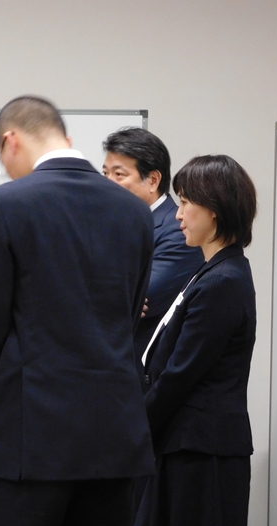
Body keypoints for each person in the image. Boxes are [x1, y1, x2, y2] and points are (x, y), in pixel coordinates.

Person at [0, 96, 156, 526]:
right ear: (67, 139)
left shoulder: (3, 204)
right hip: (113, 434)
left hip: (31, 434)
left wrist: (24, 367)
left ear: (11, 140)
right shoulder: (134, 212)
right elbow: (130, 312)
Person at [129, 155, 257, 526]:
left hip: (201, 454)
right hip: (185, 447)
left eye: (186, 203)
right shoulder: (211, 271)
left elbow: (180, 375)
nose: (178, 214)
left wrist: (132, 430)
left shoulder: (224, 279)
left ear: (214, 209)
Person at [103, 128, 203, 381]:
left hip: (144, 376)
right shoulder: (109, 225)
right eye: (105, 174)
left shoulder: (177, 230)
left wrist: (101, 291)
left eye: (118, 174)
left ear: (153, 180)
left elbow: (137, 298)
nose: (106, 183)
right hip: (110, 370)